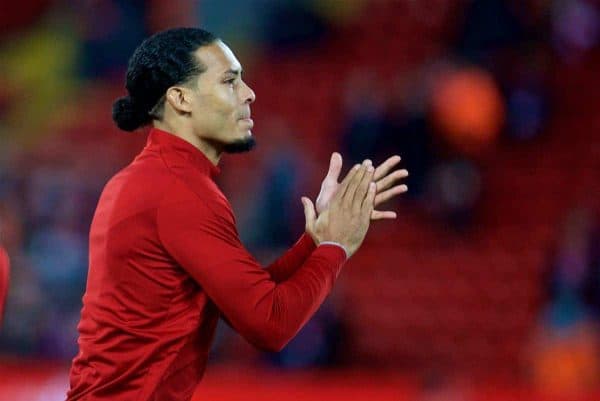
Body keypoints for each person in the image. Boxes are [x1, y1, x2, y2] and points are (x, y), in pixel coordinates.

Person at [66, 28, 408, 401]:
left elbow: (247, 299)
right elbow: (270, 324)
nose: (249, 93)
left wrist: (315, 240)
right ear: (181, 99)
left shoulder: (159, 178)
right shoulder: (178, 190)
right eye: (230, 81)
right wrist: (336, 246)